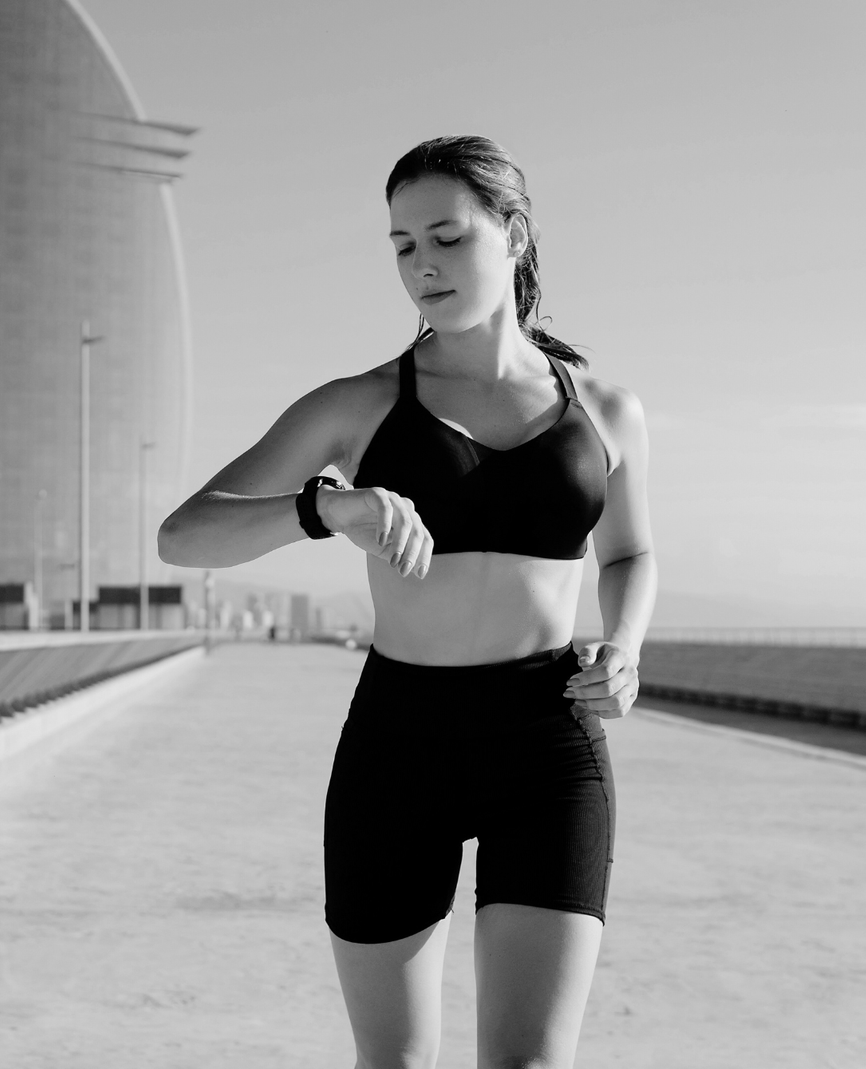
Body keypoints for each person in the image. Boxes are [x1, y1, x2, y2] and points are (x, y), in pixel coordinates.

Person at [158, 135, 655, 1068]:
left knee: (530, 1062)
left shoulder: (607, 409)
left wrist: (624, 645)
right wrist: (325, 507)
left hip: (548, 745)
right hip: (400, 743)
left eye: (445, 237)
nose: (421, 264)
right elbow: (184, 535)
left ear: (513, 235)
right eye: (399, 246)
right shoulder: (360, 404)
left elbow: (628, 552)